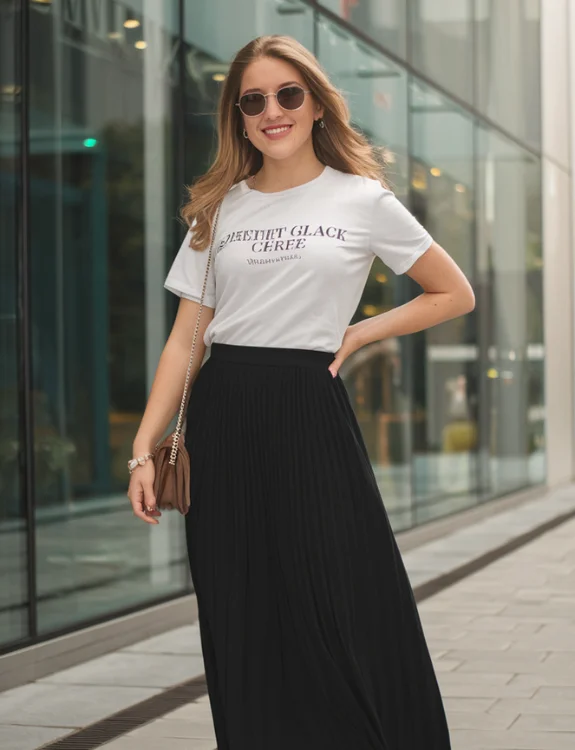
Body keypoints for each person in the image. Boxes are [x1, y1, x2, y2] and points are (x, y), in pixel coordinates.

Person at [127, 34, 474, 750]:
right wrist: (142, 447)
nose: (271, 111)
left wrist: (356, 335)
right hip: (225, 415)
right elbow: (187, 339)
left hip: (309, 411)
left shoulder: (361, 198)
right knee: (242, 608)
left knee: (338, 598)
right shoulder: (218, 209)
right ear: (238, 117)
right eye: (252, 100)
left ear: (316, 104)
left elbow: (452, 293)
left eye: (288, 94)